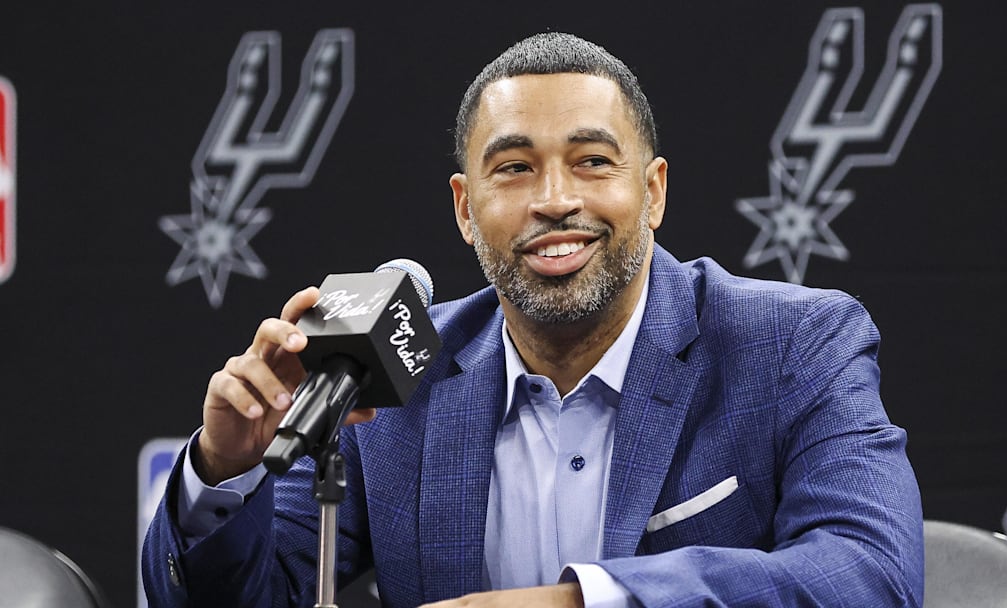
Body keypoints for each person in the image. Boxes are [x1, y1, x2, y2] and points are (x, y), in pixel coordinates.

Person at [143, 32, 923, 607]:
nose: (554, 198)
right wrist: (225, 467)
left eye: (591, 161)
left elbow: (872, 576)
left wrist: (581, 602)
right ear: (464, 210)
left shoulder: (793, 344)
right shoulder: (388, 380)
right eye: (514, 168)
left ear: (652, 192)